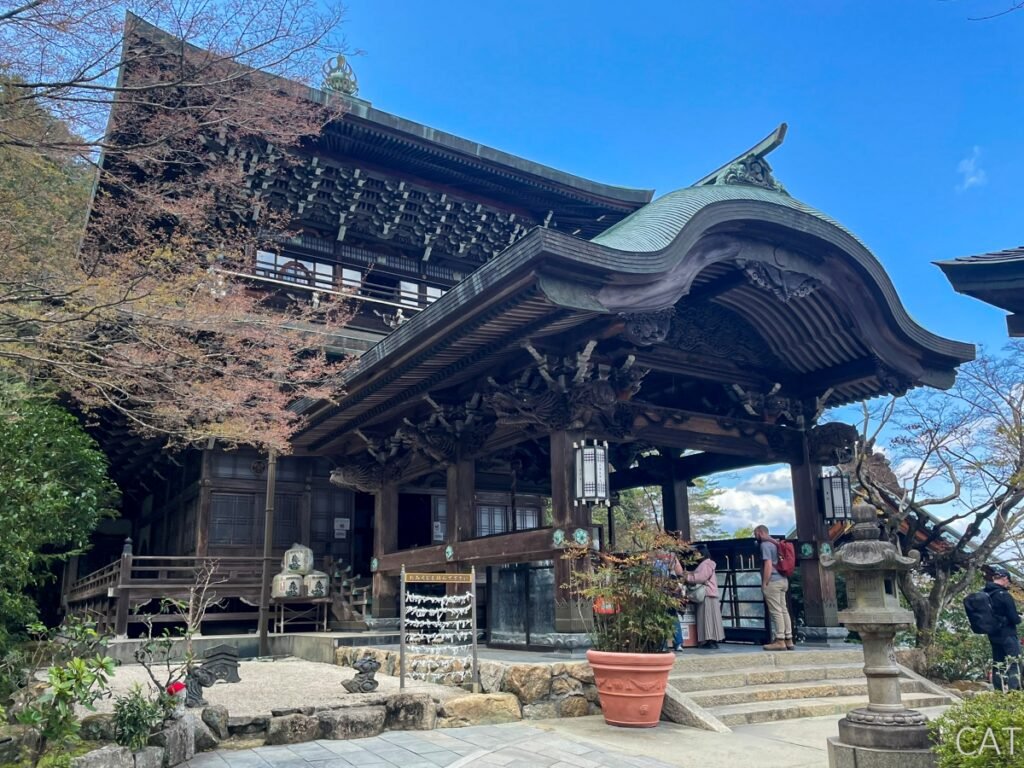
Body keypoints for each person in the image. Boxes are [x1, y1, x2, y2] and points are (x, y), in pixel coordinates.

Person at [754, 525, 793, 651]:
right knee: (783, 610)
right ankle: (789, 639)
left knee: (776, 611)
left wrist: (765, 583)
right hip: (783, 580)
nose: (755, 536)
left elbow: (768, 565)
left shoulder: (765, 545)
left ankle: (780, 640)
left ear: (760, 532)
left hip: (773, 581)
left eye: (755, 534)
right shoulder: (776, 543)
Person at [983, 565, 1021, 691]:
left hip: (993, 635)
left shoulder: (985, 594)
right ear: (1004, 578)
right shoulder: (1004, 595)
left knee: (997, 664)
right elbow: (1014, 618)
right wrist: (1019, 618)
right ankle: (1013, 693)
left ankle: (998, 692)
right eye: (1008, 581)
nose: (1008, 584)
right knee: (1014, 663)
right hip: (1008, 634)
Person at [685, 544, 725, 649]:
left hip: (707, 594)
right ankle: (711, 640)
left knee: (707, 618)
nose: (695, 555)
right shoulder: (707, 564)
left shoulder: (706, 564)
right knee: (712, 618)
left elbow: (701, 577)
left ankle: (709, 640)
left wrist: (687, 577)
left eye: (696, 553)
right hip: (710, 594)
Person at [653, 550, 685, 651]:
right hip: (672, 592)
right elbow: (680, 572)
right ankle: (678, 643)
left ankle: (663, 644)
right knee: (673, 616)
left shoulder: (654, 561)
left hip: (661, 592)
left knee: (661, 616)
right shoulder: (672, 556)